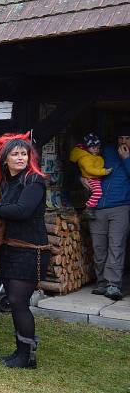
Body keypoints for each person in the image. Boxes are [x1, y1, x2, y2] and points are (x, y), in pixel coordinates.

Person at [0, 133, 50, 369]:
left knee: (19, 302)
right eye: (15, 154)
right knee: (15, 301)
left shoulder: (34, 181)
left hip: (29, 251)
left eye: (23, 154)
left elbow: (22, 211)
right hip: (11, 249)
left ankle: (26, 356)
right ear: (4, 159)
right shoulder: (7, 182)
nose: (20, 158)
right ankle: (21, 351)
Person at [85, 127, 130, 300]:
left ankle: (113, 285)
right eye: (121, 137)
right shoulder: (107, 151)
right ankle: (102, 283)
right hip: (98, 206)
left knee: (116, 245)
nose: (123, 141)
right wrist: (81, 179)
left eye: (127, 138)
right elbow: (86, 163)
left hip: (121, 207)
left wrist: (126, 160)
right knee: (98, 247)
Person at [69, 133, 111, 220]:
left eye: (98, 148)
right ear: (87, 148)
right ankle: (88, 208)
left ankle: (90, 207)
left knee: (97, 192)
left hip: (95, 178)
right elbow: (90, 170)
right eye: (93, 147)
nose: (96, 150)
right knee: (98, 192)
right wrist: (104, 171)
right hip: (91, 178)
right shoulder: (85, 158)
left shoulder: (93, 156)